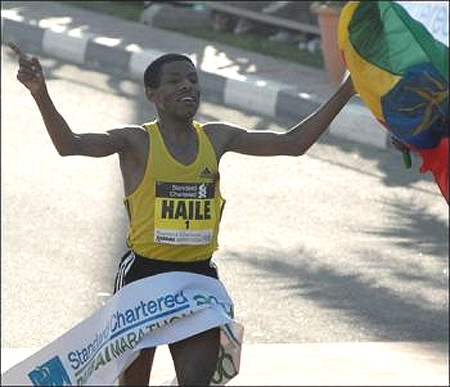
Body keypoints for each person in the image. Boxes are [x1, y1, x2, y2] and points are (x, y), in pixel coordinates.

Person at [9, 41, 356, 386]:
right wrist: (40, 92)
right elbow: (71, 145)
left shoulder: (216, 138)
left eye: (192, 80)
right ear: (152, 94)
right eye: (175, 81)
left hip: (197, 280)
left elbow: (292, 144)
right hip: (143, 279)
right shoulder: (136, 142)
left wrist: (347, 89)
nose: (187, 86)